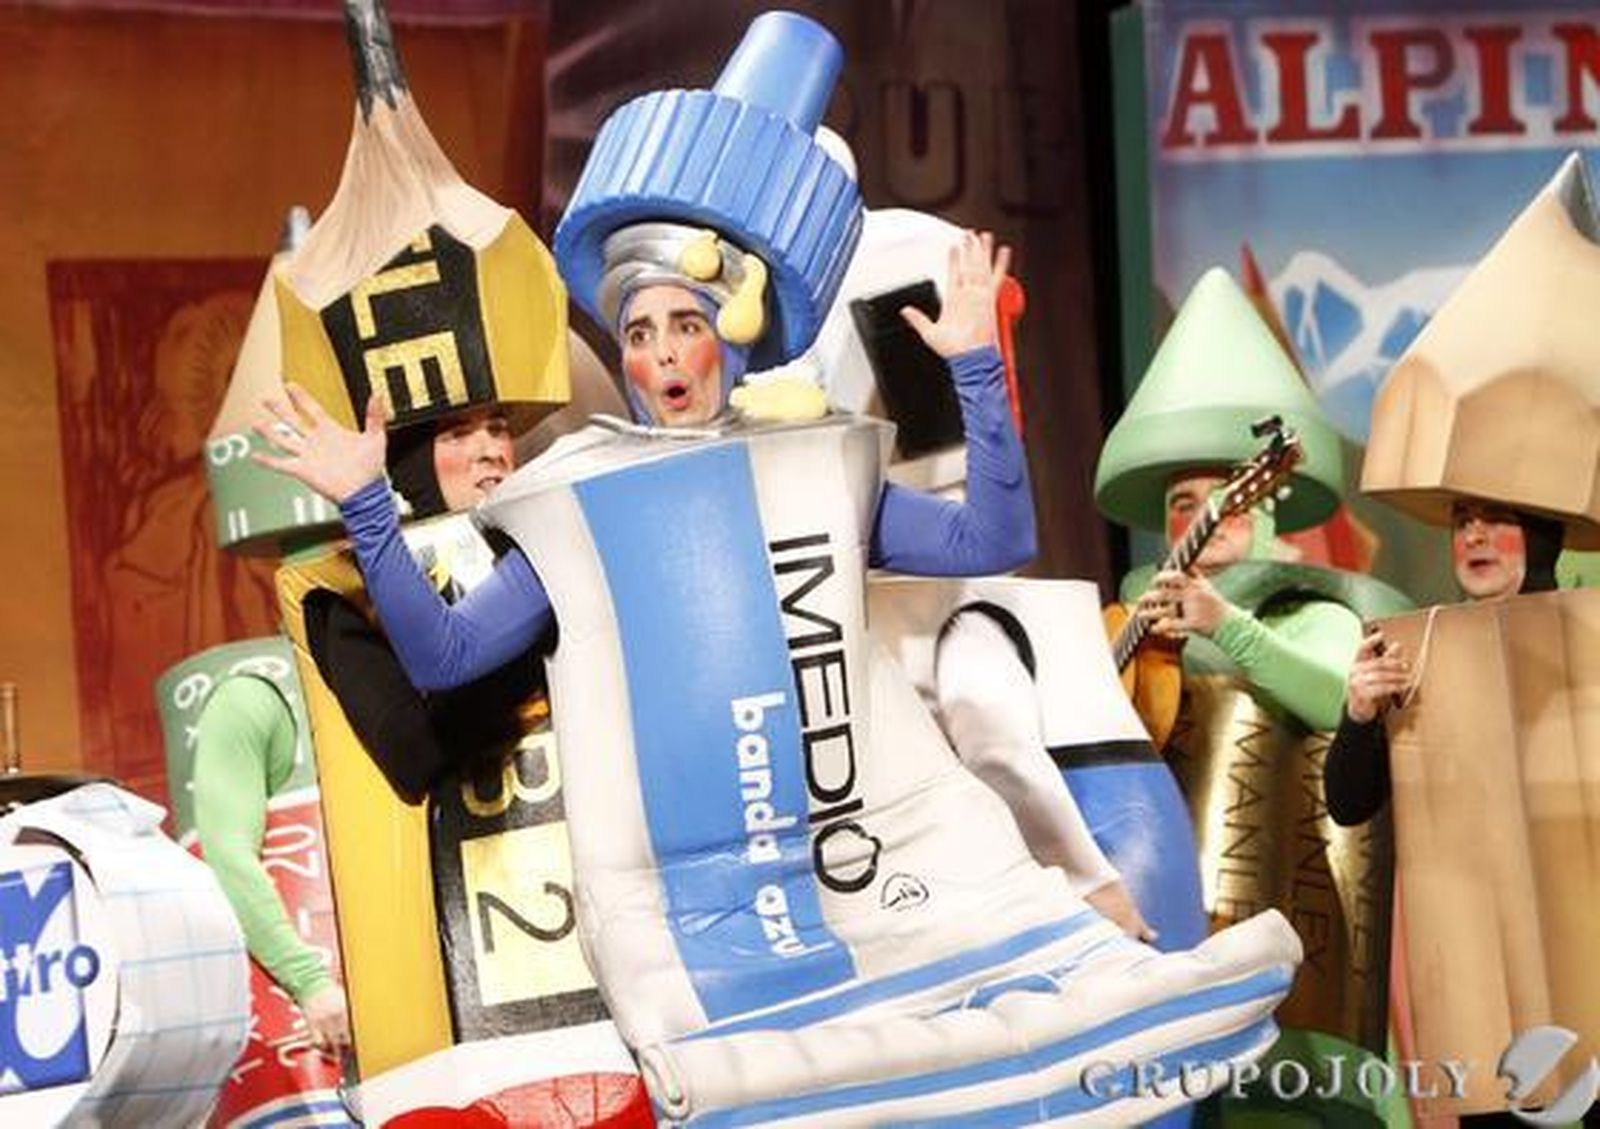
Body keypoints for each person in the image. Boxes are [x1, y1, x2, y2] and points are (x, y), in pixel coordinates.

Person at [255, 232, 1033, 693]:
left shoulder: (808, 473)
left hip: (827, 843)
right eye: (639, 333)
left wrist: (975, 367)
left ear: (728, 341)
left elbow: (992, 541)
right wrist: (367, 502)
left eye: (686, 324)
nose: (662, 351)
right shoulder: (584, 499)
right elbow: (445, 657)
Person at [1324, 499, 1563, 828]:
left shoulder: (1586, 639)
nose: (1473, 537)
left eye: (1496, 519)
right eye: (1462, 523)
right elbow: (1348, 806)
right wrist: (1359, 718)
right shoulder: (1415, 651)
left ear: (1540, 536)